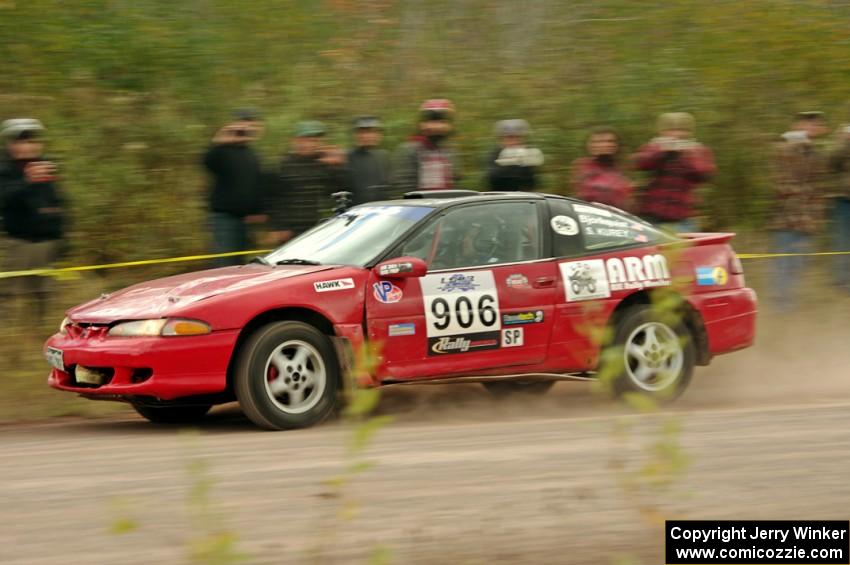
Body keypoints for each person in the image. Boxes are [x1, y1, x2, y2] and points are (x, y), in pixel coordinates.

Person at [0, 118, 66, 323]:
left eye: (32, 140)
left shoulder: (45, 166)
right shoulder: (5, 168)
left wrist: (62, 238)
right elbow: (4, 199)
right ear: (11, 144)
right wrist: (27, 182)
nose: (29, 145)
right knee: (7, 292)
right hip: (18, 242)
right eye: (22, 140)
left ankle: (39, 330)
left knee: (44, 291)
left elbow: (58, 202)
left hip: (46, 243)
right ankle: (7, 334)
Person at [768, 111, 830, 309]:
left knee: (800, 262)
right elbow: (781, 183)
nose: (810, 128)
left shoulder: (814, 153)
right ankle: (781, 302)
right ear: (797, 125)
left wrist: (817, 215)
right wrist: (797, 147)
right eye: (807, 124)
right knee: (784, 261)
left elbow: (819, 183)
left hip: (807, 218)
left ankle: (789, 299)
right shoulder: (783, 147)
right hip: (785, 218)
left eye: (815, 125)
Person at [201, 108, 266, 267]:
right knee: (224, 263)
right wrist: (219, 141)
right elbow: (207, 163)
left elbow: (255, 184)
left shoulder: (252, 154)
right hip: (224, 218)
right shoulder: (222, 150)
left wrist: (257, 211)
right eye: (243, 123)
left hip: (245, 220)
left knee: (239, 264)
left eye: (251, 124)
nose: (247, 128)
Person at [266, 121, 347, 244]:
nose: (312, 144)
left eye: (316, 140)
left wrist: (338, 167)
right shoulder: (284, 164)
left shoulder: (324, 163)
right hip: (290, 229)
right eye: (308, 139)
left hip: (317, 226)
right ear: (296, 141)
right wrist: (279, 227)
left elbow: (339, 190)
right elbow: (274, 199)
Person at [633, 112, 716, 232]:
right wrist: (663, 153)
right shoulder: (655, 145)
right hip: (652, 215)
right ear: (662, 131)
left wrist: (686, 155)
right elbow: (640, 163)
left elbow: (704, 174)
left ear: (689, 132)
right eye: (671, 129)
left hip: (683, 217)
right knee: (648, 249)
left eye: (682, 129)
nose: (677, 134)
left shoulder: (698, 150)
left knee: (684, 250)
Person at [392, 99, 461, 194]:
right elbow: (404, 185)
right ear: (422, 125)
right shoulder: (410, 150)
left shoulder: (450, 151)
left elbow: (455, 180)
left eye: (442, 122)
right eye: (433, 122)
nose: (438, 127)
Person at [570, 126, 634, 210]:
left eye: (610, 141)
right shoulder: (582, 166)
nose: (604, 145)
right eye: (597, 142)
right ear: (589, 146)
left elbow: (628, 200)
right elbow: (580, 194)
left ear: (617, 145)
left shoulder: (623, 168)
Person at [486, 119, 543, 191]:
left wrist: (525, 164)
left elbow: (532, 182)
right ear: (502, 139)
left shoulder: (528, 153)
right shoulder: (495, 154)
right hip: (501, 198)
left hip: (523, 198)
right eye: (510, 138)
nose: (514, 141)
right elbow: (493, 178)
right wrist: (510, 163)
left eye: (517, 137)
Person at [346, 116, 392, 205]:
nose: (367, 136)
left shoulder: (383, 156)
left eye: (372, 132)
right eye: (363, 132)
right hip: (357, 212)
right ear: (356, 135)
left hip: (382, 210)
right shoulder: (347, 158)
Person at [829, 123, 850, 293]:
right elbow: (831, 161)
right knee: (843, 241)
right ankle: (842, 280)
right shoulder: (844, 139)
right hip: (844, 200)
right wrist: (844, 141)